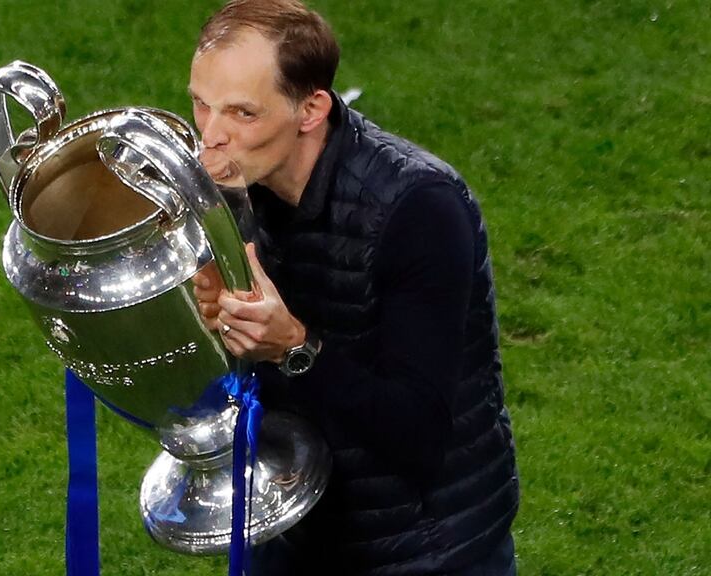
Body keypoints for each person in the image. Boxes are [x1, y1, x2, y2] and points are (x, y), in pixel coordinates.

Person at [188, 1, 520, 574]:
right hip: (288, 528)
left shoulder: (419, 210)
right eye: (200, 103)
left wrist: (293, 347)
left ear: (311, 108)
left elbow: (416, 430)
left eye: (242, 113)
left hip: (425, 546)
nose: (211, 137)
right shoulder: (227, 187)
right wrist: (211, 322)